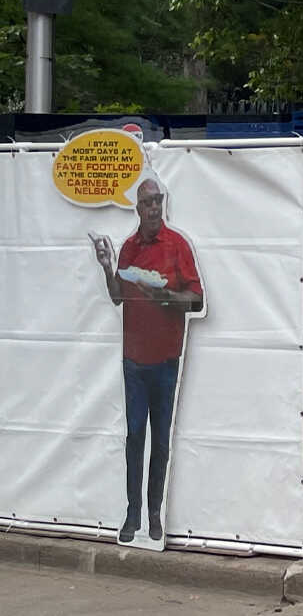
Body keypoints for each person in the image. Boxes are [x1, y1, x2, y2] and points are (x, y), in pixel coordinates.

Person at [89, 176, 204, 544]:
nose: (154, 207)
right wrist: (108, 267)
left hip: (167, 359)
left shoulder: (177, 245)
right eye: (147, 202)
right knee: (134, 435)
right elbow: (117, 297)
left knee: (162, 441)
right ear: (137, 209)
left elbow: (198, 300)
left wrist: (167, 296)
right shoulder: (128, 249)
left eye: (158, 200)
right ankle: (132, 512)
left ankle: (155, 512)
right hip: (133, 361)